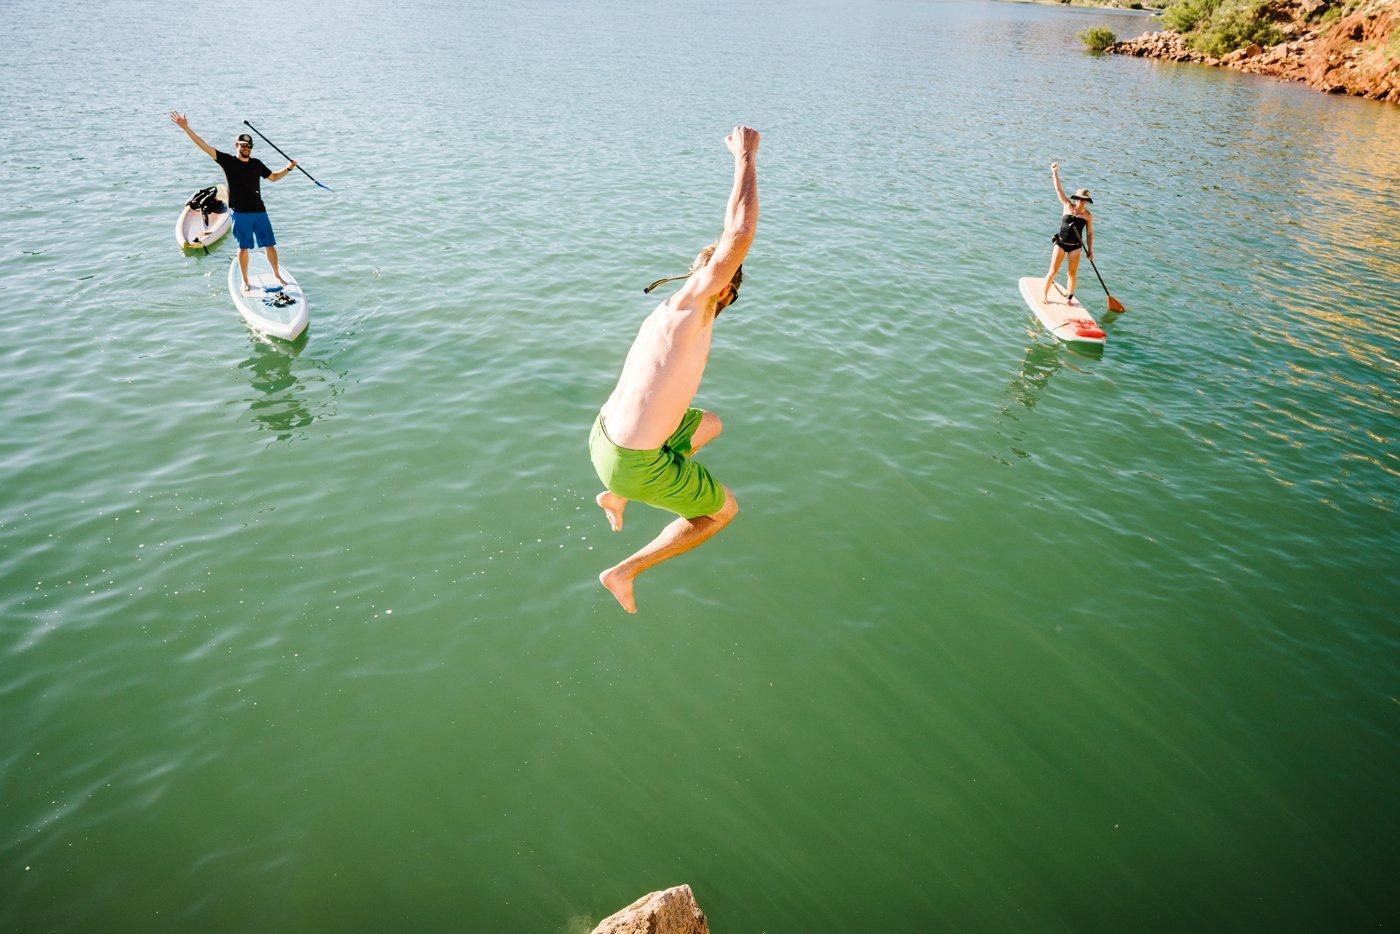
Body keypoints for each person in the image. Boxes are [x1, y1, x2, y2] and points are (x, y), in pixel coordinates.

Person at [589, 125, 759, 614]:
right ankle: (623, 571)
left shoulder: (676, 310)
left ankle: (616, 497)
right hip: (631, 462)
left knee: (709, 424)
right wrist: (745, 155)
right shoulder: (697, 301)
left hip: (604, 439)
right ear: (723, 285)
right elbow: (739, 232)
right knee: (720, 511)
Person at [169, 112, 296, 292]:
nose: (246, 148)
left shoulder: (256, 164)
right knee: (243, 248)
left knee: (270, 245)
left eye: (249, 146)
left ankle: (276, 274)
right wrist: (186, 128)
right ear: (237, 145)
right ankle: (245, 280)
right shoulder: (228, 161)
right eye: (243, 145)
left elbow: (274, 177)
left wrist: (289, 168)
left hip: (259, 211)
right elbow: (204, 146)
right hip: (240, 212)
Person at [1041, 162, 1095, 306]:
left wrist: (1090, 250)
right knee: (1053, 271)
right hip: (1061, 243)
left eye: (1083, 200)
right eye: (1078, 199)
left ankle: (1069, 299)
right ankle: (1044, 295)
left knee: (1071, 273)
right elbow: (1058, 189)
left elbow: (1089, 234)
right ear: (1075, 199)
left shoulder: (1088, 215)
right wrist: (1055, 173)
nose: (1080, 201)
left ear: (1086, 201)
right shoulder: (1067, 205)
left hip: (1075, 247)